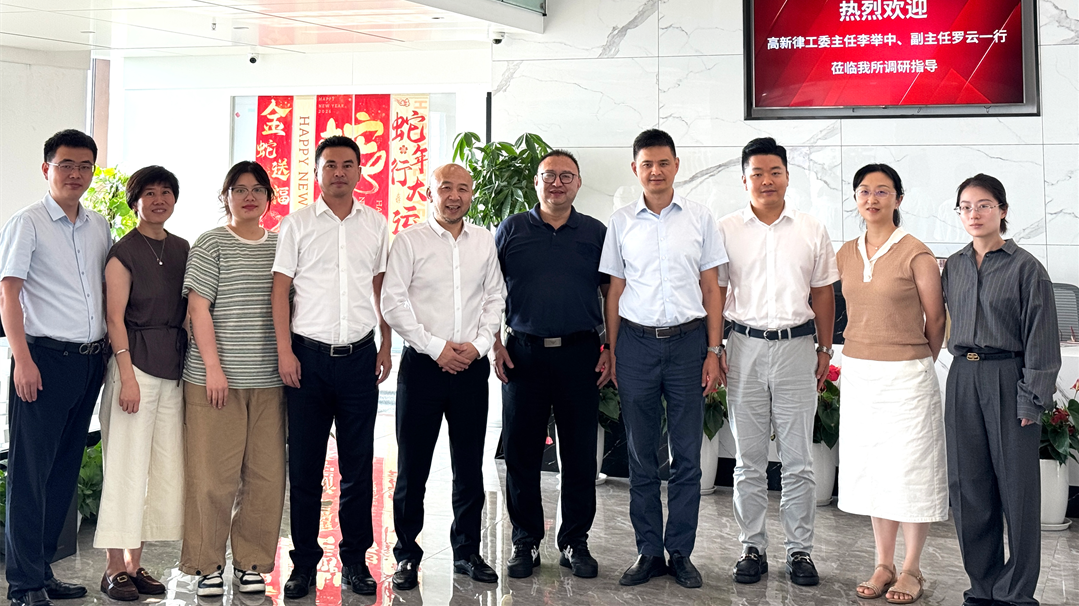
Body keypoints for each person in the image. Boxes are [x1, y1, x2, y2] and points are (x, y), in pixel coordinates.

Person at [599, 129, 726, 589]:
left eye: (663, 163)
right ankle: (649, 550)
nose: (656, 171)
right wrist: (612, 351)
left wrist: (714, 350)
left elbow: (712, 288)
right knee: (641, 454)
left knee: (687, 454)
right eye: (647, 164)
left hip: (689, 344)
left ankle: (681, 552)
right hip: (635, 345)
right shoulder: (620, 222)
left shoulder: (700, 218)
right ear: (635, 168)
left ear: (676, 165)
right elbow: (614, 292)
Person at [272, 136, 392, 599]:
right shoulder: (297, 224)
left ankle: (356, 561)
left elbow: (382, 289)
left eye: (347, 165)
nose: (339, 172)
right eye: (330, 165)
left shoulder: (376, 224)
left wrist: (386, 344)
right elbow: (280, 291)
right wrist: (285, 351)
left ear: (360, 172)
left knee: (358, 468)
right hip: (307, 360)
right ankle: (303, 563)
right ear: (318, 172)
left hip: (360, 358)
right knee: (304, 468)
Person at [719, 137, 837, 587]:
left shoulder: (810, 228)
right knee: (748, 460)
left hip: (796, 347)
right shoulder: (727, 229)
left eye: (775, 172)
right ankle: (751, 546)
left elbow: (823, 292)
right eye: (757, 173)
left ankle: (799, 550)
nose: (766, 180)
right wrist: (716, 349)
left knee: (798, 459)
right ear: (744, 179)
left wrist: (825, 349)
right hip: (743, 345)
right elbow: (715, 293)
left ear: (787, 176)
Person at [381, 163, 506, 590]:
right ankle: (406, 555)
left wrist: (479, 345)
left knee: (469, 467)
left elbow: (495, 297)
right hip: (423, 368)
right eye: (446, 188)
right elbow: (393, 302)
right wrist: (436, 348)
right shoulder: (409, 241)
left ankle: (467, 552)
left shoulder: (484, 240)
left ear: (472, 194)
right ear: (430, 193)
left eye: (463, 189)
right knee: (412, 468)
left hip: (471, 366)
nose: (454, 196)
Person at [0, 129, 111, 606]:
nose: (76, 174)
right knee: (30, 474)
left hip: (89, 362)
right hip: (42, 361)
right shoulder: (27, 222)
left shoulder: (98, 225)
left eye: (85, 166)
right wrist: (22, 360)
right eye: (66, 164)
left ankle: (42, 570)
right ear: (47, 168)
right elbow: (8, 295)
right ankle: (24, 584)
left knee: (63, 471)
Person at [942, 174, 1061, 606]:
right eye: (966, 207)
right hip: (963, 376)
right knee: (968, 487)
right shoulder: (953, 266)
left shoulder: (1026, 268)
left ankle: (1016, 591)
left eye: (984, 205)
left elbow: (1042, 341)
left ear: (1003, 211)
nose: (974, 214)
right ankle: (983, 585)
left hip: (1009, 377)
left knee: (1018, 491)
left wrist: (1032, 399)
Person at [493, 150, 611, 580]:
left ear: (578, 183)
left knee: (579, 454)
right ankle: (525, 540)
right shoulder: (511, 229)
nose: (557, 183)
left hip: (581, 353)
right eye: (548, 176)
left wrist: (610, 347)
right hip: (522, 353)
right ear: (536, 182)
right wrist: (494, 342)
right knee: (521, 452)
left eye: (566, 176)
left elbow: (611, 294)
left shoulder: (595, 232)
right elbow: (488, 290)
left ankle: (575, 541)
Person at [834, 164, 947, 604]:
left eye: (882, 191)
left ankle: (912, 568)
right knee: (875, 470)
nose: (872, 199)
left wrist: (916, 361)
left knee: (910, 470)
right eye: (864, 191)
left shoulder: (916, 252)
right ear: (855, 199)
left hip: (907, 377)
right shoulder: (846, 252)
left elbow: (936, 319)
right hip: (860, 374)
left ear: (898, 199)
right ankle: (884, 564)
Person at [179, 161, 286, 597]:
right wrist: (213, 367)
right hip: (214, 381)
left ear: (269, 198)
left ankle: (251, 563)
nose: (249, 197)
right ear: (225, 196)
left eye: (258, 189)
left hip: (269, 381)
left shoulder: (281, 245)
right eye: (239, 189)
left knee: (266, 477)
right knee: (212, 477)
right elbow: (197, 308)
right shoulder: (211, 242)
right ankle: (207, 565)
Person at [96, 166, 188, 601]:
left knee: (157, 470)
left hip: (172, 368)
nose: (158, 200)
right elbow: (114, 318)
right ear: (135, 202)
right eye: (149, 193)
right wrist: (127, 377)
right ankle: (113, 566)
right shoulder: (123, 252)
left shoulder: (182, 248)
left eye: (166, 192)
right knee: (125, 466)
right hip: (133, 366)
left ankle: (136, 564)